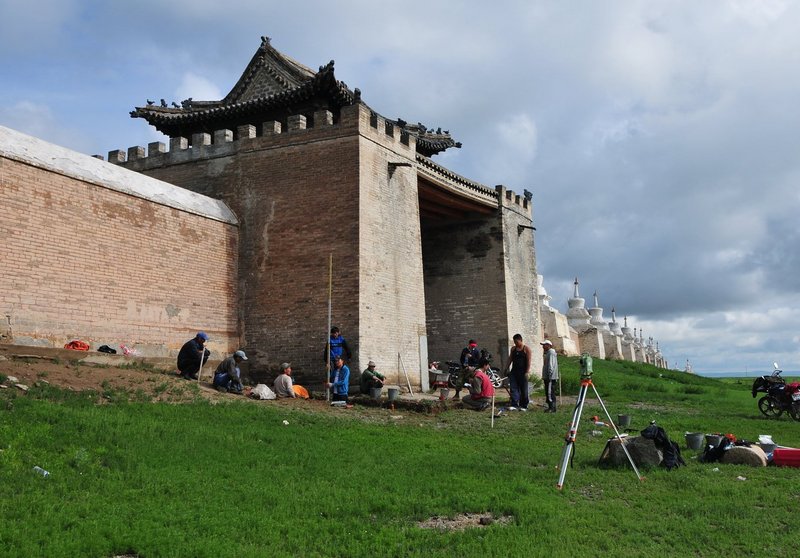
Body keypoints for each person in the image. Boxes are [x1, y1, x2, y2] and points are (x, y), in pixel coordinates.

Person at [504, 333, 532, 411]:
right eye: (514, 342)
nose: (516, 343)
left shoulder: (526, 349)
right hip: (514, 372)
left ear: (521, 340)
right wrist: (506, 368)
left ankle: (524, 405)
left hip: (523, 372)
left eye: (517, 342)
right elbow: (510, 359)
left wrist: (527, 372)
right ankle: (514, 404)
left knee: (524, 389)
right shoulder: (513, 349)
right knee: (513, 388)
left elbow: (529, 361)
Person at [541, 339, 559, 412]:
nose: (543, 347)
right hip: (548, 377)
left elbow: (551, 366)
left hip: (550, 377)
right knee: (549, 392)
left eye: (544, 345)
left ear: (548, 345)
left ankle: (552, 408)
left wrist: (549, 376)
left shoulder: (551, 353)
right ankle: (551, 407)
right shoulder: (548, 353)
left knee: (550, 392)